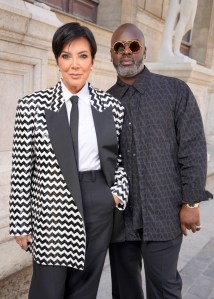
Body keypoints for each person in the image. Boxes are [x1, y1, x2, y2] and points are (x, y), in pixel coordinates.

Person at [9, 22, 128, 299]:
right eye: (66, 55)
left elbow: (120, 160)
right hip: (50, 211)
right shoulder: (32, 106)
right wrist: (20, 223)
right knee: (47, 291)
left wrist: (116, 195)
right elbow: (21, 169)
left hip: (98, 204)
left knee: (85, 290)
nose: (75, 65)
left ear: (93, 61)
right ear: (57, 60)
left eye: (82, 56)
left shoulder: (111, 107)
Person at [108, 23, 212, 299]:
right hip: (121, 219)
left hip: (164, 213)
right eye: (119, 47)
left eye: (133, 46)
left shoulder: (174, 91)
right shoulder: (104, 102)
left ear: (144, 50)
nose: (126, 52)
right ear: (111, 54)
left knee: (164, 288)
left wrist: (191, 202)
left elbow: (193, 148)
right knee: (124, 291)